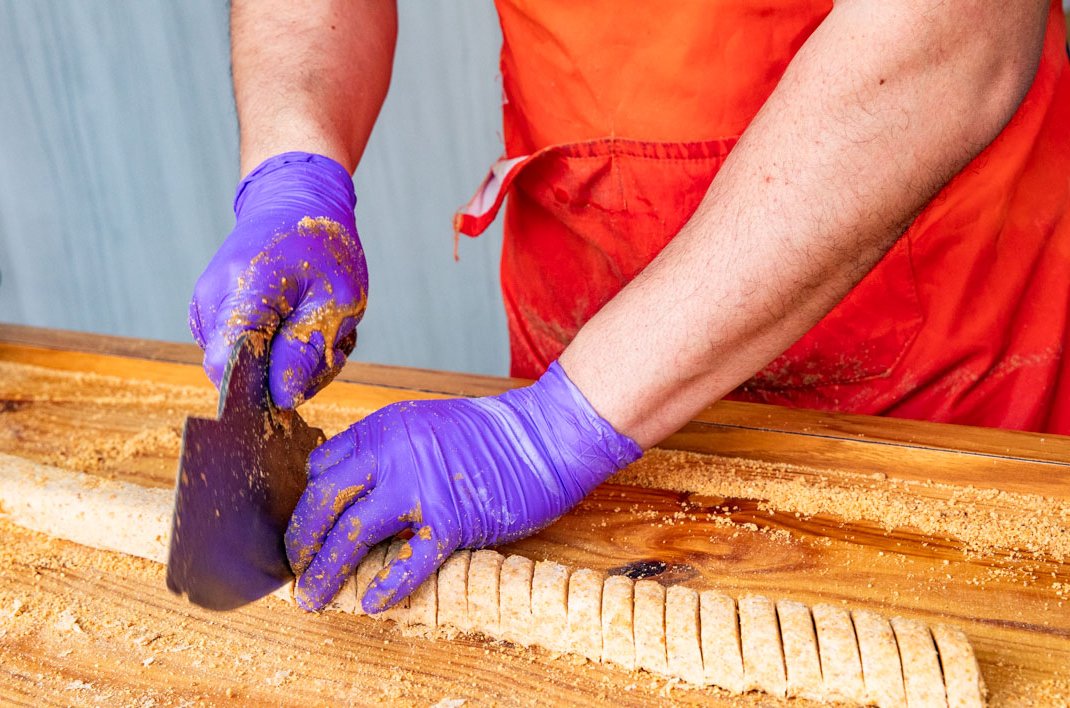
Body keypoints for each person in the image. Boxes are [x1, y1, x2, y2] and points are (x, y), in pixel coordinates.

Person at [189, 1, 1070, 614]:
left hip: (928, 322)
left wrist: (550, 432)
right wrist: (294, 169)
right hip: (586, 288)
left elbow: (958, 33)